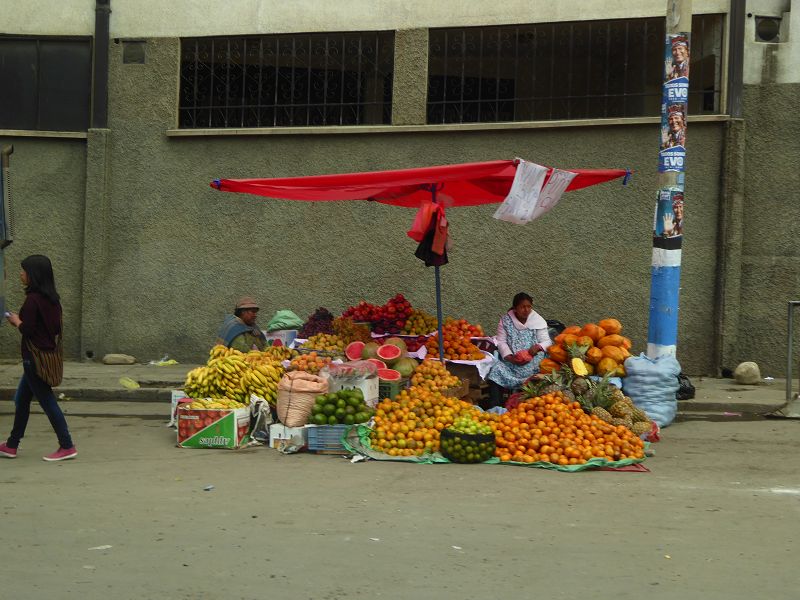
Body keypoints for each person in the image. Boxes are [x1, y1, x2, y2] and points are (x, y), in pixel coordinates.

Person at [0, 255, 77, 461]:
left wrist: (17, 321)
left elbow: (29, 330)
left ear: (33, 274)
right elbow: (51, 328)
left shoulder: (33, 300)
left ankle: (67, 445)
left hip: (34, 359)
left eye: (24, 270)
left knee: (47, 402)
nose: (21, 274)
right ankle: (11, 444)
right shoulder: (52, 299)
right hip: (44, 357)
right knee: (21, 400)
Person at [484, 292, 553, 409]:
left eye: (529, 307)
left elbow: (547, 342)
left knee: (537, 377)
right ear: (515, 308)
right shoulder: (506, 321)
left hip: (534, 363)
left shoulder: (538, 320)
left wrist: (536, 348)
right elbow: (501, 342)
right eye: (523, 307)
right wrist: (510, 357)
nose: (526, 310)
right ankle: (495, 407)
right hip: (512, 364)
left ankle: (525, 406)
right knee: (495, 370)